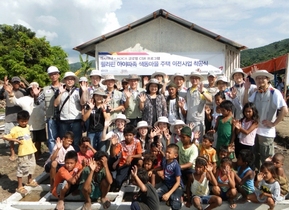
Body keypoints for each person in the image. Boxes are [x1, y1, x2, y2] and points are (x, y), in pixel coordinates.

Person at [243, 70, 288, 169]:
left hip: (267, 133)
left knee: (266, 158)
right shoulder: (257, 92)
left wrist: (274, 123)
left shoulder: (274, 92)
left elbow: (284, 110)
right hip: (255, 130)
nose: (260, 80)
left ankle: (267, 180)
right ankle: (258, 178)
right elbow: (246, 105)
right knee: (255, 155)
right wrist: (246, 89)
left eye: (263, 78)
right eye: (258, 78)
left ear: (267, 79)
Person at [8, 82, 46, 160]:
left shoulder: (43, 100)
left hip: (40, 124)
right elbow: (14, 101)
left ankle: (37, 155)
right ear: (29, 90)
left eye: (36, 89)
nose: (33, 91)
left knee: (38, 141)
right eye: (31, 89)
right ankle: (30, 156)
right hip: (28, 125)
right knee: (29, 141)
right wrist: (11, 93)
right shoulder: (24, 99)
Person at [3, 110, 38, 195]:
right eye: (22, 121)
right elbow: (4, 137)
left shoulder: (27, 127)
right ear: (18, 120)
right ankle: (19, 186)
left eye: (26, 121)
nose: (24, 123)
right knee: (22, 169)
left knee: (31, 166)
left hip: (31, 150)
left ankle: (29, 180)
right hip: (23, 152)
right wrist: (14, 140)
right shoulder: (15, 129)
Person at [54, 72, 82, 151]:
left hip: (76, 120)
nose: (70, 81)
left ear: (74, 81)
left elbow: (83, 103)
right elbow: (55, 104)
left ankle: (75, 159)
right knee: (64, 141)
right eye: (68, 79)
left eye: (72, 79)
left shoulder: (78, 91)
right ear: (65, 81)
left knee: (76, 141)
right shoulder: (59, 90)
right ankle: (64, 159)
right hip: (63, 120)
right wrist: (60, 93)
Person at [0, 76, 26, 161]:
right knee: (10, 137)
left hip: (21, 117)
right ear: (12, 83)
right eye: (14, 82)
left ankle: (22, 152)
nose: (16, 84)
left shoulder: (23, 91)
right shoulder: (7, 91)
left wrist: (25, 86)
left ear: (19, 83)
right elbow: (0, 96)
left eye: (17, 82)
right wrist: (4, 87)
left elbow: (31, 95)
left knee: (22, 136)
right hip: (10, 118)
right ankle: (12, 153)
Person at [110, 124, 142, 190]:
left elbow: (140, 154)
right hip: (124, 164)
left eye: (130, 135)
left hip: (133, 162)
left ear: (133, 135)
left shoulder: (137, 142)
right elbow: (113, 155)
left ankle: (136, 177)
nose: (128, 137)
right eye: (126, 135)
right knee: (118, 181)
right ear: (124, 136)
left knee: (140, 161)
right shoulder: (121, 144)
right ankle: (125, 178)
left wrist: (131, 156)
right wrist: (113, 145)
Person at [154, 144, 183, 210]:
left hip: (176, 187)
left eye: (169, 153)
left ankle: (174, 198)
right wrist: (153, 170)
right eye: (166, 152)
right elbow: (162, 167)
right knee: (155, 195)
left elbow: (178, 182)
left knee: (175, 202)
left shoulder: (176, 165)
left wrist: (168, 194)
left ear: (175, 155)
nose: (166, 154)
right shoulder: (164, 160)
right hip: (167, 184)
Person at [186, 71, 212, 140]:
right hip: (189, 119)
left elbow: (210, 99)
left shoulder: (203, 89)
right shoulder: (188, 90)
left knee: (198, 141)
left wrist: (202, 92)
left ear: (199, 80)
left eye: (196, 78)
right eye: (192, 78)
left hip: (198, 121)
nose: (194, 80)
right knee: (189, 140)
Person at [43, 66, 62, 154]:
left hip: (63, 118)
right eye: (51, 74)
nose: (53, 76)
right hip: (51, 117)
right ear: (49, 76)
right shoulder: (45, 89)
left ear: (58, 75)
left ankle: (62, 156)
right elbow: (38, 101)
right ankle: (52, 158)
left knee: (63, 138)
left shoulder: (64, 87)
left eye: (55, 74)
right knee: (51, 139)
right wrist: (35, 95)